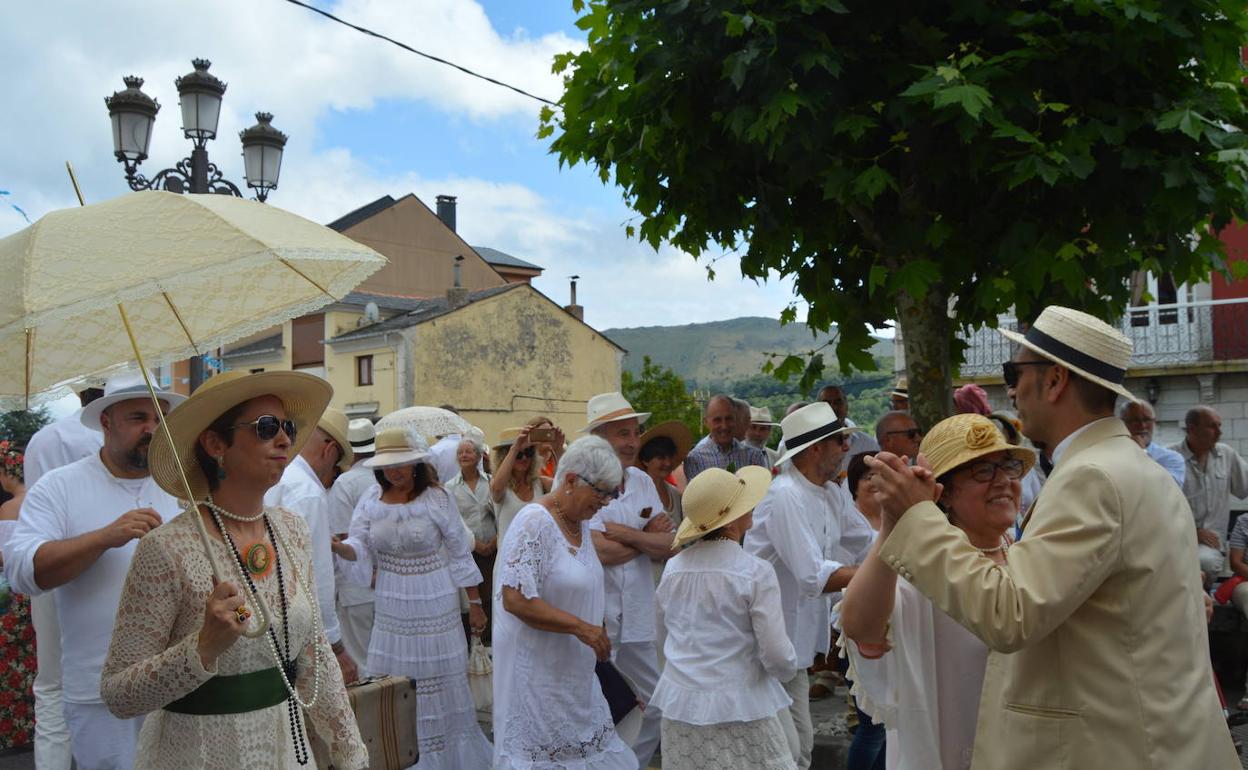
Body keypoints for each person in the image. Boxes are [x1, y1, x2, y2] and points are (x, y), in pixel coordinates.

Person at [867, 305, 1238, 768]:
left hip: (1115, 746)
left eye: (1014, 372)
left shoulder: (1092, 477)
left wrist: (918, 517)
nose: (1011, 388)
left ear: (1054, 381)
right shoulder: (1134, 467)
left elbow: (1010, 615)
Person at [98, 369, 367, 769]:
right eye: (266, 427)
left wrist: (351, 754)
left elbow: (313, 655)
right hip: (200, 753)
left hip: (286, 750)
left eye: (287, 427)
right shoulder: (168, 548)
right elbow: (119, 694)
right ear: (214, 443)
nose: (284, 439)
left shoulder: (290, 529)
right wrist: (203, 646)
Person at [3, 370, 185, 770]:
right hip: (98, 692)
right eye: (138, 418)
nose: (152, 429)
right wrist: (104, 537)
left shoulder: (184, 487)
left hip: (179, 686)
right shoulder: (60, 486)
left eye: (159, 419)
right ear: (106, 422)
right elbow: (23, 572)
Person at [841, 415, 1034, 768]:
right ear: (943, 494)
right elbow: (860, 626)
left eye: (1008, 467)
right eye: (983, 472)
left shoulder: (1029, 555)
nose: (1004, 482)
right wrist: (894, 523)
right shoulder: (924, 571)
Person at [332, 427, 493, 768]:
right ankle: (398, 747)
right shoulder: (370, 501)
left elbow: (459, 553)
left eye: (402, 464)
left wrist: (475, 604)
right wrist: (340, 548)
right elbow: (359, 547)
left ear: (416, 464)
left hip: (435, 599)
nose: (395, 471)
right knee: (396, 676)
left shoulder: (437, 498)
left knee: (438, 679)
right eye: (388, 465)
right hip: (391, 603)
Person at [492, 435, 637, 769]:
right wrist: (581, 628)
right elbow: (514, 599)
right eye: (601, 492)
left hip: (574, 673)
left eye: (611, 493)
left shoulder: (580, 523)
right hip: (537, 675)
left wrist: (594, 629)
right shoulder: (533, 522)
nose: (605, 502)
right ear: (571, 480)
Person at [652, 466, 795, 769]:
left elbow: (664, 639)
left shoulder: (674, 569)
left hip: (682, 704)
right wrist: (786, 673)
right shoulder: (754, 572)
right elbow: (778, 655)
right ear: (732, 519)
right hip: (740, 703)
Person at [743, 401, 858, 769]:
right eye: (840, 441)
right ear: (815, 449)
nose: (846, 448)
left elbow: (867, 539)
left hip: (792, 647)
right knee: (786, 752)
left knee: (799, 748)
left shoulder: (830, 493)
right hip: (765, 645)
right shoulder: (785, 495)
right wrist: (887, 572)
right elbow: (813, 575)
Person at [584, 392, 676, 768]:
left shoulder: (640, 480)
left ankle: (629, 764)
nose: (632, 442)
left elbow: (670, 544)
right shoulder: (579, 479)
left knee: (656, 699)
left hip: (637, 610)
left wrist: (624, 534)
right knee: (601, 700)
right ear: (599, 436)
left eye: (635, 432)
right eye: (622, 433)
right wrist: (644, 537)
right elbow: (596, 551)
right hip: (597, 613)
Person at [21, 385, 103, 770]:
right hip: (97, 564)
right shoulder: (104, 437)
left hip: (49, 563)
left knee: (51, 684)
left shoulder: (44, 439)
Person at [265, 407, 358, 684]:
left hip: (257, 620)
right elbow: (317, 575)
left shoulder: (274, 476)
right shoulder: (308, 492)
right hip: (291, 627)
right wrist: (336, 646)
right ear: (329, 450)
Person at [838, 452, 886, 770]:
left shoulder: (896, 517)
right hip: (855, 630)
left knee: (887, 722)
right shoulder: (849, 522)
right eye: (867, 477)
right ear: (854, 485)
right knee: (872, 724)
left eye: (879, 475)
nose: (875, 482)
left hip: (890, 625)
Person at [1170, 406, 1248, 582]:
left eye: (1219, 425)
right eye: (1212, 426)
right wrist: (1193, 530)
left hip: (1210, 544)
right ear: (1191, 429)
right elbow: (1157, 506)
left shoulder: (1226, 454)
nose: (1219, 432)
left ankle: (1200, 603)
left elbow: (1245, 486)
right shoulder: (1170, 457)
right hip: (1174, 537)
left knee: (1204, 561)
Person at [325, 417, 378, 667]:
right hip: (389, 582)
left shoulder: (345, 483)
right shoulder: (386, 476)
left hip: (357, 586)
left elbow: (342, 537)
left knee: (361, 659)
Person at [446, 433, 497, 642]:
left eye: (468, 451)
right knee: (471, 601)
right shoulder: (450, 487)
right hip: (468, 552)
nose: (464, 455)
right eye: (460, 452)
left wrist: (493, 543)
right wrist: (476, 545)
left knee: (492, 596)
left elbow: (500, 515)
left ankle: (491, 643)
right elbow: (454, 521)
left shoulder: (492, 483)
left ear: (478, 456)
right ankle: (475, 644)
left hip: (494, 549)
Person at [0, 442, 34, 752]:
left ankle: (17, 729)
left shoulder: (11, 507)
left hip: (19, 596)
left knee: (11, 658)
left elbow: (6, 558)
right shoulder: (40, 500)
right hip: (41, 591)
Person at [491, 426, 554, 552]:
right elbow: (497, 488)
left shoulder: (541, 483)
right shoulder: (500, 485)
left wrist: (556, 449)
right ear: (506, 456)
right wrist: (515, 448)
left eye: (529, 452)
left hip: (538, 559)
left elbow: (565, 488)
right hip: (509, 562)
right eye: (519, 454)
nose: (524, 458)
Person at [682, 394, 768, 481]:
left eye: (729, 419)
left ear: (736, 419)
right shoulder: (694, 460)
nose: (724, 426)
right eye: (717, 420)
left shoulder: (753, 456)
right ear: (706, 422)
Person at [636, 420, 694, 531]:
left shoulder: (675, 494)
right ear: (645, 460)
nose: (667, 463)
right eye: (661, 457)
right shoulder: (638, 494)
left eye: (670, 456)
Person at [817, 385, 880, 475]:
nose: (833, 407)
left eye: (838, 402)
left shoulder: (867, 445)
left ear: (846, 405)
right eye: (826, 403)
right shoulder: (810, 448)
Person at [1119, 400, 1184, 487]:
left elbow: (1170, 490)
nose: (1142, 425)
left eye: (1147, 420)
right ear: (1122, 423)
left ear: (1154, 421)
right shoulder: (1110, 455)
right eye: (1135, 420)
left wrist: (1141, 452)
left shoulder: (1171, 458)